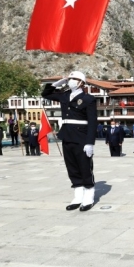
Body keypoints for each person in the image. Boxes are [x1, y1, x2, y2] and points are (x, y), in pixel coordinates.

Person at [42, 71, 98, 212]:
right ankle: (78, 197)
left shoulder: (88, 99)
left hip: (81, 137)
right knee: (72, 167)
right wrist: (55, 84)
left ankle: (88, 197)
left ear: (81, 83)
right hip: (67, 136)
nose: (71, 81)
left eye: (74, 79)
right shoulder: (64, 95)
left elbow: (92, 122)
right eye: (70, 79)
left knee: (85, 167)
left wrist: (90, 142)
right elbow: (45, 94)